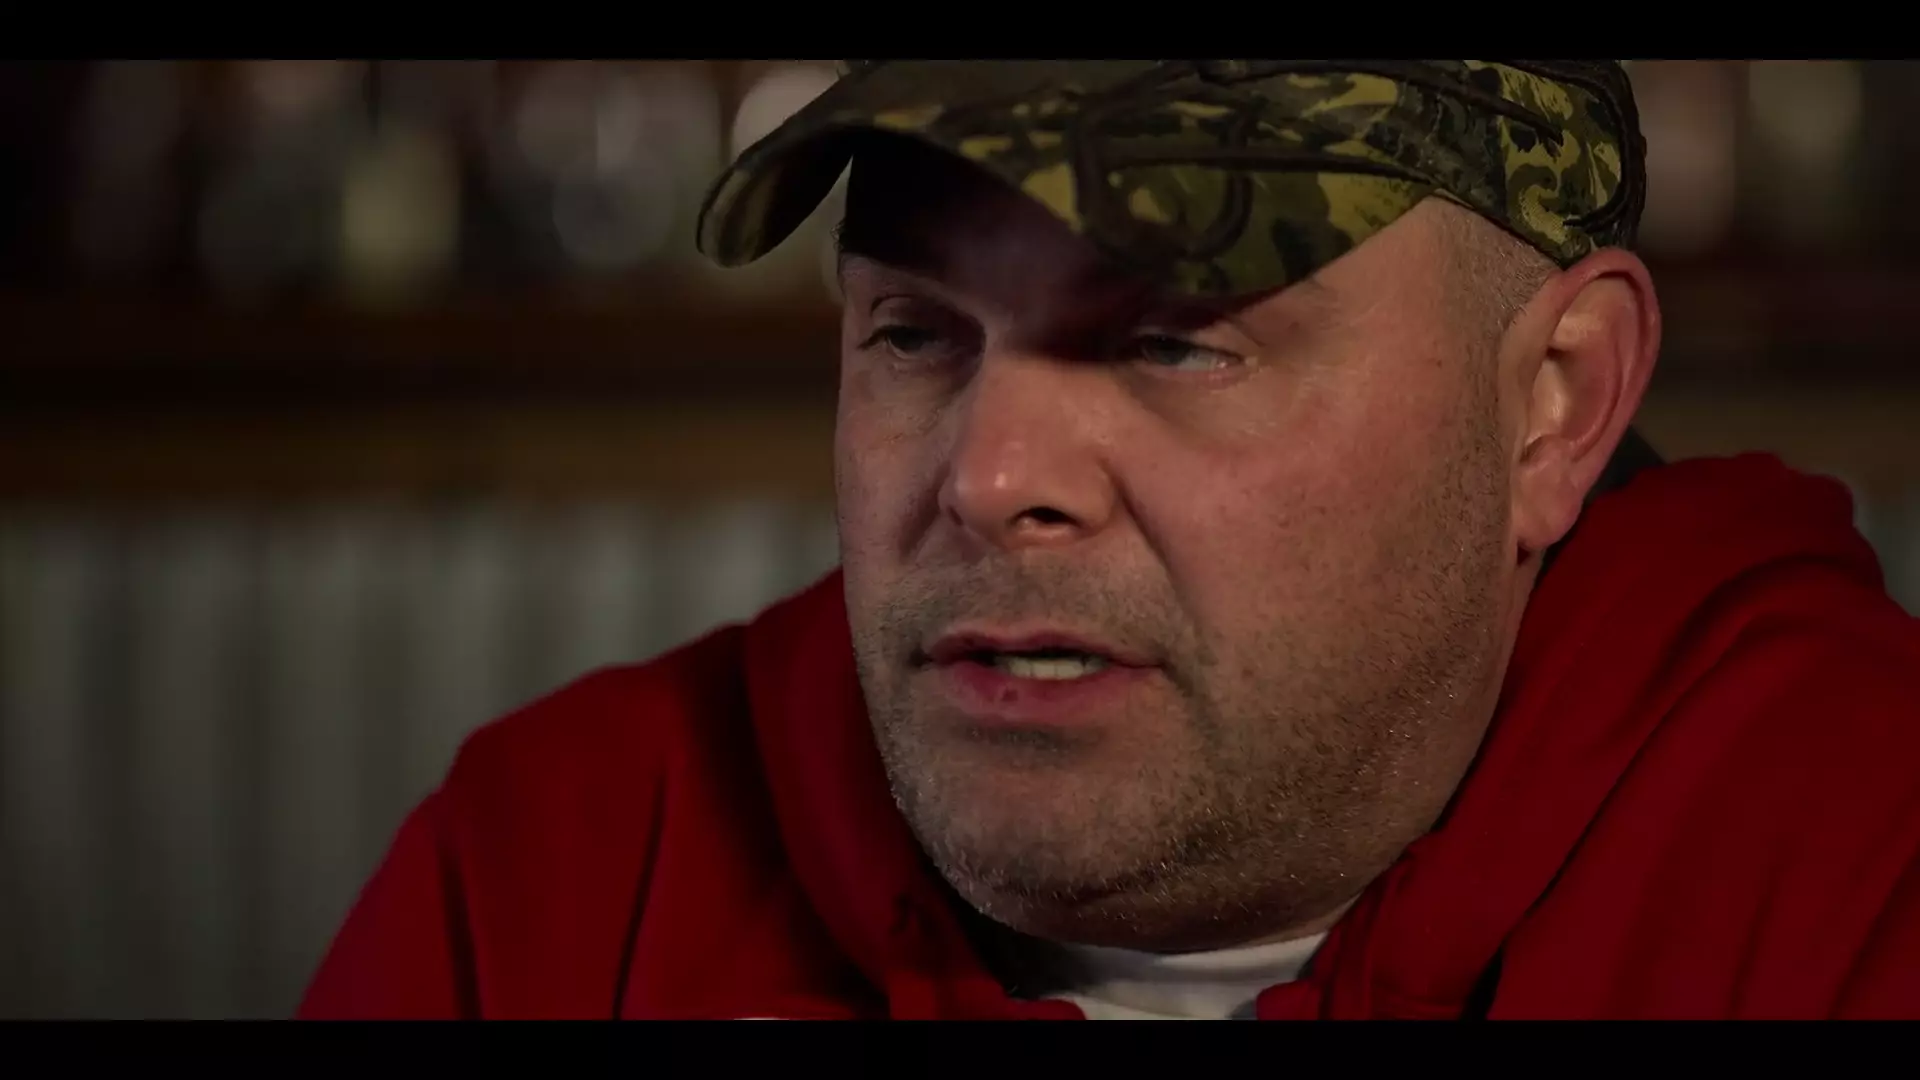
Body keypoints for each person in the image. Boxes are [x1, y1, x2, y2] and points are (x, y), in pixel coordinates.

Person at [297, 60, 1920, 1020]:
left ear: (1553, 407)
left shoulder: (1861, 884)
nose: (992, 477)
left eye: (1173, 342)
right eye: (915, 334)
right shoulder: (557, 882)